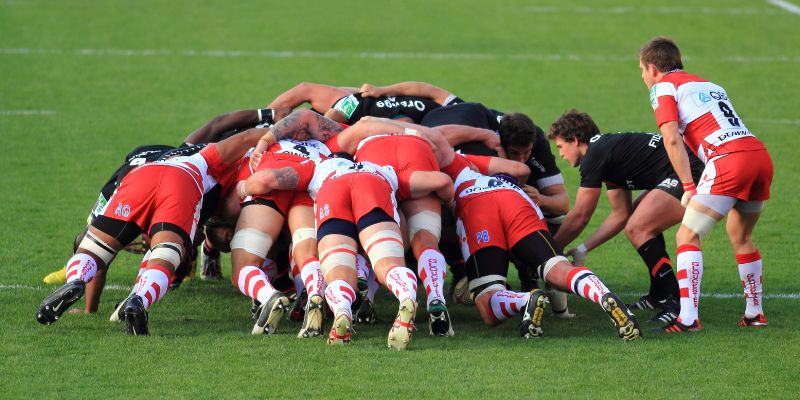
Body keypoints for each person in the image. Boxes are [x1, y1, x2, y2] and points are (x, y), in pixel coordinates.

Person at [35, 126, 305, 335]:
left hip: (137, 179)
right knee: (166, 252)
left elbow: (92, 222)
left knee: (95, 247)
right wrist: (274, 134)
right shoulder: (208, 156)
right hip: (183, 181)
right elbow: (245, 135)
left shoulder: (141, 156)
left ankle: (75, 280)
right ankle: (139, 300)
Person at [405, 123, 641, 341]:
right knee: (557, 268)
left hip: (476, 208)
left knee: (487, 303)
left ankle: (526, 300)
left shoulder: (417, 169)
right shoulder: (462, 160)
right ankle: (602, 294)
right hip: (514, 196)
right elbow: (518, 168)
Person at [240, 153, 452, 349]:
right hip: (373, 186)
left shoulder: (318, 166)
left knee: (337, 274)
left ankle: (342, 311)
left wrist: (243, 187)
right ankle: (406, 296)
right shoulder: (382, 168)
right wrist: (449, 200)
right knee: (388, 265)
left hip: (332, 189)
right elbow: (439, 181)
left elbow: (268, 179)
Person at [639, 37, 773, 332]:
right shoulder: (710, 84)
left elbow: (671, 138)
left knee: (687, 234)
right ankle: (754, 313)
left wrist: (688, 186)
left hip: (728, 159)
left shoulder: (662, 87)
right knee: (740, 235)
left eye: (642, 72)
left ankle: (688, 318)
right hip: (759, 156)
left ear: (652, 68)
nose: (644, 79)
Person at [547, 109, 705, 324]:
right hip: (681, 170)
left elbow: (580, 216)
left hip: (690, 172)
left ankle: (674, 301)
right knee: (639, 220)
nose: (561, 154)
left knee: (639, 227)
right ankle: (659, 295)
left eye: (560, 147)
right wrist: (583, 248)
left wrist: (548, 251)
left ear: (574, 140)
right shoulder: (606, 152)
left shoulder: (594, 155)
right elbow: (620, 215)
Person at [420, 103, 572, 314]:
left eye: (526, 153)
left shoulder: (535, 141)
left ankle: (531, 274)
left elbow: (563, 203)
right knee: (442, 218)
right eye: (514, 153)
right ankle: (463, 272)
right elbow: (434, 110)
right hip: (476, 202)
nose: (521, 158)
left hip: (506, 203)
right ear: (499, 145)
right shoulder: (481, 145)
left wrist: (541, 199)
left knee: (552, 217)